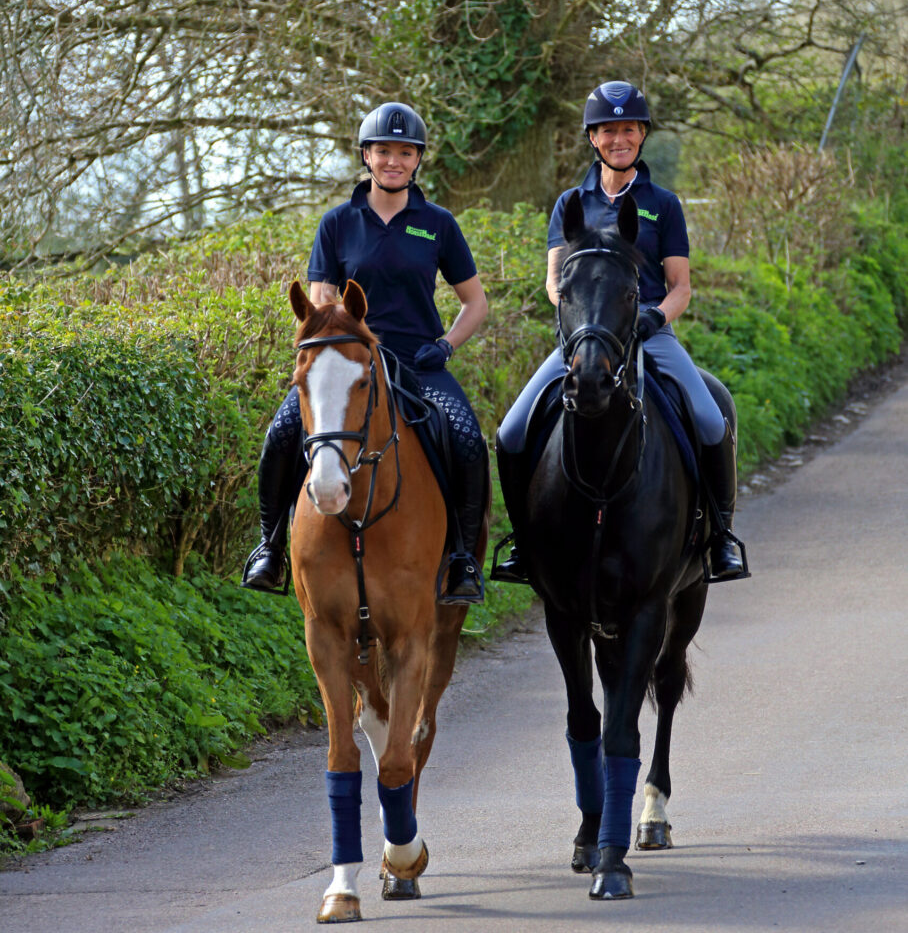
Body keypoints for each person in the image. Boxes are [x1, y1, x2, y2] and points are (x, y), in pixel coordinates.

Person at [493, 80, 746, 583]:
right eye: (608, 131)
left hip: (649, 334)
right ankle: (525, 545)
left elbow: (680, 287)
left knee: (710, 420)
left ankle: (720, 540)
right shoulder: (571, 203)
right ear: (593, 138)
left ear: (642, 134)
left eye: (628, 129)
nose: (618, 139)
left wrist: (654, 317)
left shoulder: (664, 204)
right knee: (511, 431)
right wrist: (584, 319)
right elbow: (554, 280)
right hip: (586, 338)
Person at [242, 102, 489, 603]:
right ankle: (269, 547)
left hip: (418, 362)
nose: (393, 160)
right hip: (350, 362)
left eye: (404, 152)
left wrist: (445, 346)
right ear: (366, 156)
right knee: (282, 433)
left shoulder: (437, 223)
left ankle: (462, 558)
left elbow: (475, 302)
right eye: (383, 151)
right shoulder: (337, 223)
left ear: (418, 159)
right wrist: (335, 348)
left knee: (467, 438)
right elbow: (320, 301)